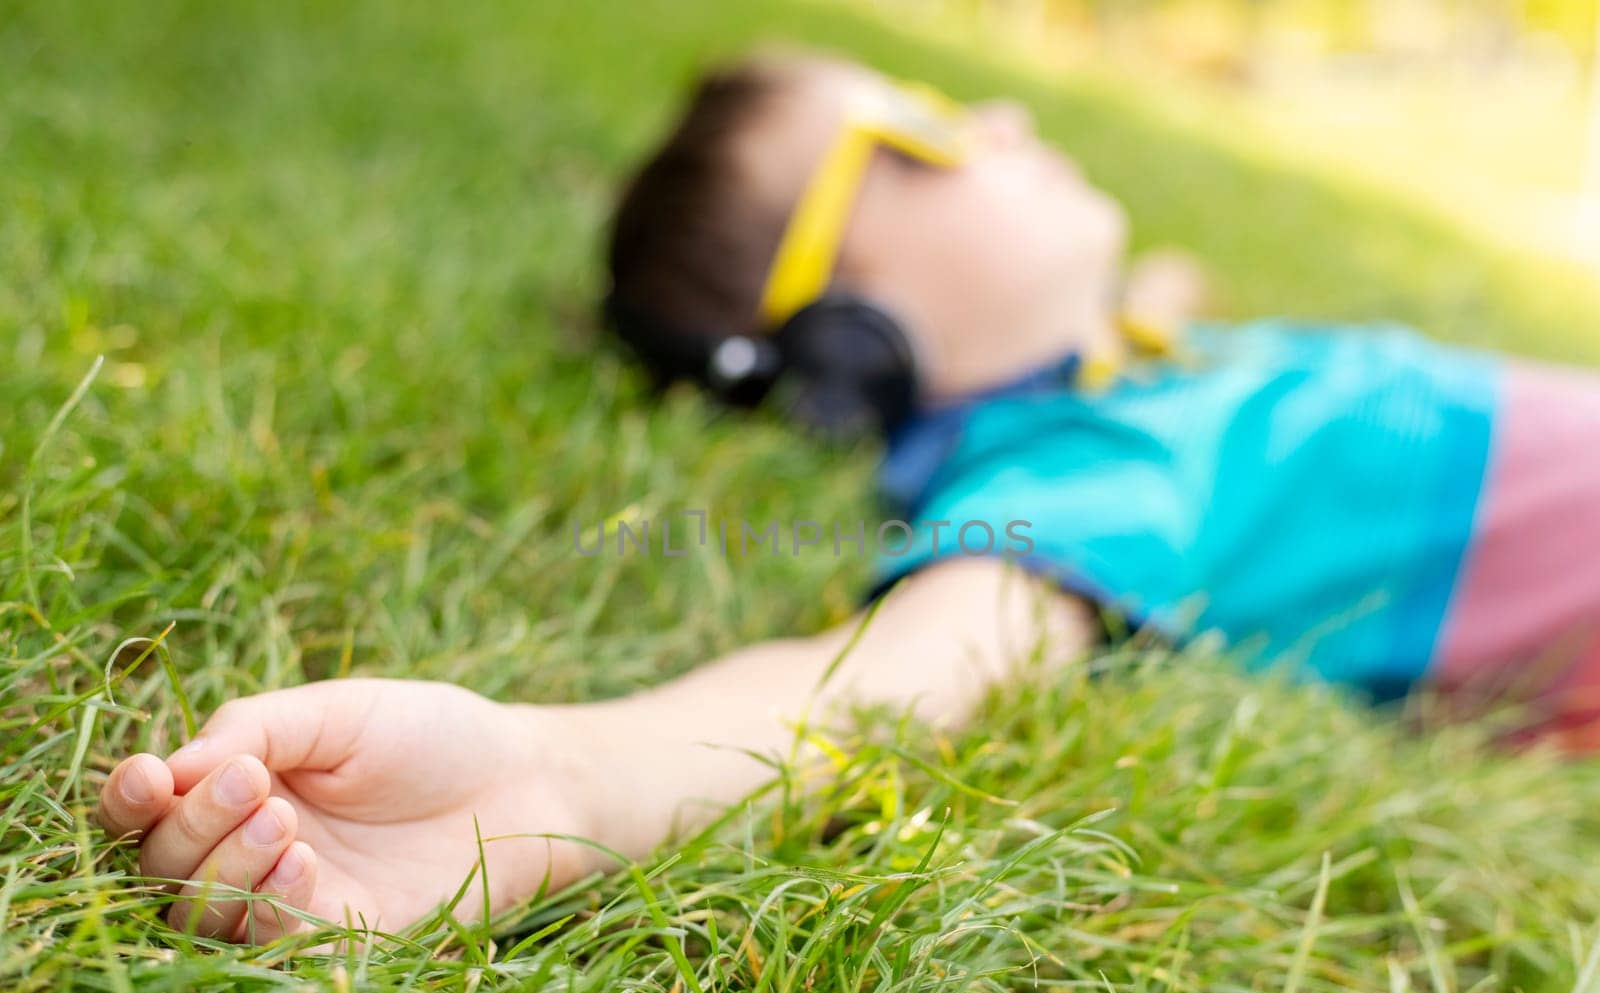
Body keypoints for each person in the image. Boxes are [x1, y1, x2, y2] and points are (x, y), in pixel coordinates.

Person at [96, 51, 1600, 946]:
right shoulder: (1089, 473)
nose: (1004, 116)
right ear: (849, 334)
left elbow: (1167, 300)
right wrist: (544, 782)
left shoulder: (1122, 381)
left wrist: (1151, 298)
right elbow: (894, 679)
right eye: (928, 136)